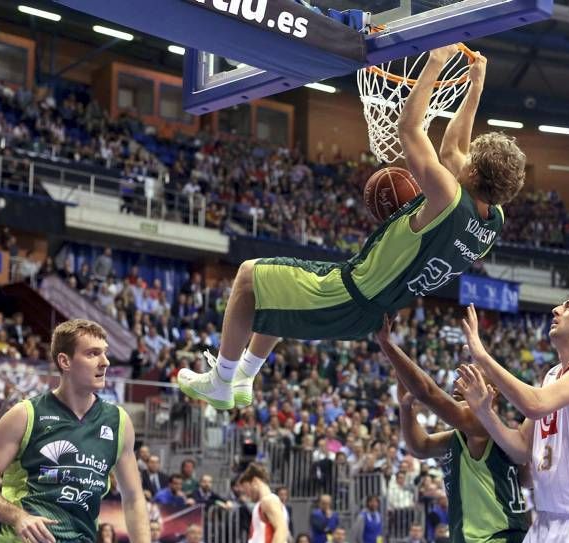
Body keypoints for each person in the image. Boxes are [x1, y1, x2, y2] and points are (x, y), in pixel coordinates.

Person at [178, 44, 526, 410]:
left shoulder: (448, 198)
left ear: (471, 174)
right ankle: (246, 375)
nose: (463, 158)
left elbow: (409, 129)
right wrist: (475, 88)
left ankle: (220, 381)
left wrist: (436, 61)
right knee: (279, 294)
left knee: (249, 277)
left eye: (469, 162)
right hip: (371, 308)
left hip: (350, 295)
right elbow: (454, 151)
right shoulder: (492, 221)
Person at [457, 294, 569, 543]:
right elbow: (522, 449)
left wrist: (482, 356)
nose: (556, 309)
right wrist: (484, 412)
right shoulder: (552, 376)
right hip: (547, 519)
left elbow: (534, 405)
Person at [0, 318, 150, 543]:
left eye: (104, 353)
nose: (104, 362)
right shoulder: (25, 415)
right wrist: (18, 517)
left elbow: (134, 498)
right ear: (65, 361)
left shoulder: (118, 422)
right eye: (93, 354)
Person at [377, 316, 528, 543]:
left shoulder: (482, 427)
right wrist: (406, 410)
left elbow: (427, 392)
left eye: (470, 377)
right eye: (460, 376)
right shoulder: (465, 434)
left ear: (492, 393)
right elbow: (421, 447)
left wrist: (387, 344)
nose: (459, 382)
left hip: (496, 540)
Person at [238, 462, 290, 543]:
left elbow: (282, 530)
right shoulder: (263, 504)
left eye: (246, 489)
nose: (247, 495)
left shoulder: (269, 500)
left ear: (254, 481)